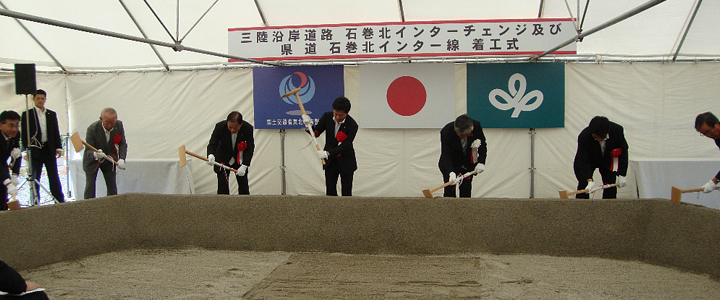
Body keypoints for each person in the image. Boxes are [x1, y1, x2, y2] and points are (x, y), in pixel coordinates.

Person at [304, 96, 358, 196]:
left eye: (341, 115)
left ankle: (346, 211)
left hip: (346, 161)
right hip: (330, 162)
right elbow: (316, 133)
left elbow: (346, 146)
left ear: (346, 113)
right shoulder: (327, 117)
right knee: (330, 190)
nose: (337, 117)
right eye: (336, 114)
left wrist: (327, 153)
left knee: (346, 192)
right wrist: (309, 126)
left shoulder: (352, 125)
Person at [20, 89, 64, 203]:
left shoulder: (51, 114)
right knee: (35, 176)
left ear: (45, 99)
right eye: (38, 98)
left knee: (53, 175)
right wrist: (24, 150)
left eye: (42, 98)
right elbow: (24, 133)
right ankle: (35, 201)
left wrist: (58, 147)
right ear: (34, 99)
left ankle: (59, 200)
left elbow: (55, 131)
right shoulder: (28, 114)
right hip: (35, 149)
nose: (40, 100)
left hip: (49, 149)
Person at [573, 116, 629, 199]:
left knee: (609, 184)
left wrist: (622, 174)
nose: (599, 140)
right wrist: (589, 180)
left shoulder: (617, 131)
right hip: (590, 159)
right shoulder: (584, 136)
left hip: (608, 159)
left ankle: (609, 208)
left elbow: (623, 152)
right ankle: (581, 208)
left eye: (601, 137)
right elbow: (583, 160)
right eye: (595, 137)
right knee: (584, 184)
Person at [438, 114, 487, 198]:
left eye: (467, 135)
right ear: (456, 131)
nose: (464, 138)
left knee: (466, 191)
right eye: (461, 135)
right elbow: (446, 154)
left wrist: (481, 162)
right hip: (450, 164)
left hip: (467, 164)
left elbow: (482, 145)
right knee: (449, 192)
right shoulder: (446, 131)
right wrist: (451, 172)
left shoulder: (477, 126)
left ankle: (465, 210)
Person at [82, 108, 127, 199]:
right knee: (90, 186)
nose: (110, 125)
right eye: (107, 122)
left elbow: (122, 143)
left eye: (112, 122)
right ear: (101, 119)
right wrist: (95, 154)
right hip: (93, 161)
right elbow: (88, 151)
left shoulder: (119, 125)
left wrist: (122, 158)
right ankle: (88, 207)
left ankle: (112, 206)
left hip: (109, 158)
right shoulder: (92, 129)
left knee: (112, 186)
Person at [207, 111, 254, 195]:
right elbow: (213, 143)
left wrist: (245, 165)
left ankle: (245, 205)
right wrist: (210, 154)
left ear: (241, 124)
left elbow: (250, 147)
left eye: (235, 128)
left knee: (243, 185)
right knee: (222, 186)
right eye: (230, 127)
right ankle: (223, 206)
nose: (232, 130)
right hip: (222, 157)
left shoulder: (248, 128)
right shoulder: (220, 127)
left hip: (239, 159)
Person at [0, 111, 22, 211]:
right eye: (11, 126)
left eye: (17, 125)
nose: (14, 129)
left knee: (3, 199)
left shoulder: (16, 135)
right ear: (1, 126)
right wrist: (8, 183)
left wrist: (15, 174)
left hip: (3, 167)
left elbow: (17, 154)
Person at [695, 112, 720, 193]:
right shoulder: (718, 138)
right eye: (705, 134)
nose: (709, 136)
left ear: (717, 124)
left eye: (709, 131)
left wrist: (714, 182)